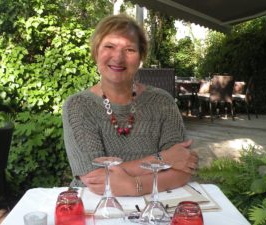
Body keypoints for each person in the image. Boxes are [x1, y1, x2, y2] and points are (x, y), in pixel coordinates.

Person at [62, 14, 198, 197]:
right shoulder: (78, 106)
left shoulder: (162, 102)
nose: (118, 57)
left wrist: (134, 186)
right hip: (95, 206)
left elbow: (183, 167)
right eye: (109, 46)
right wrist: (163, 159)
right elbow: (94, 177)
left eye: (129, 49)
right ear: (95, 52)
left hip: (153, 207)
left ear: (141, 57)